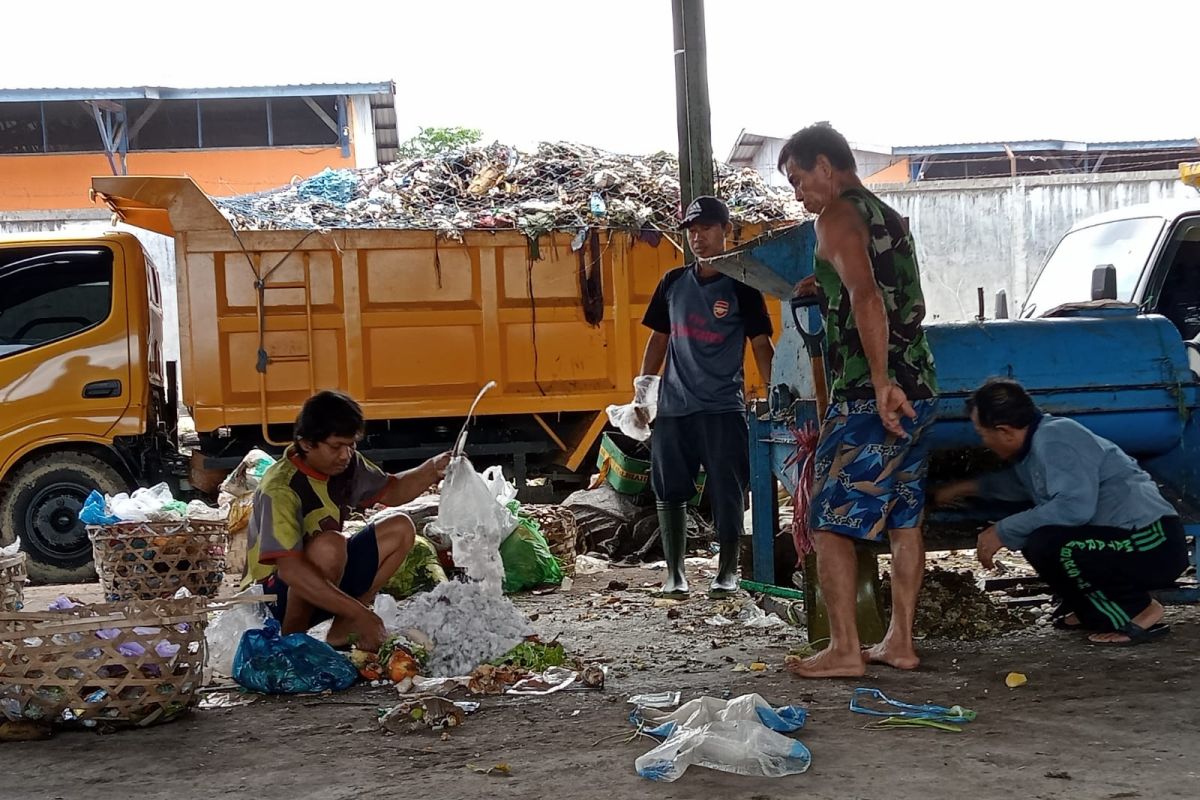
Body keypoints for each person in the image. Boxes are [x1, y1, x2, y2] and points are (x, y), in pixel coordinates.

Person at [781, 122, 939, 678]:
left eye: (799, 180)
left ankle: (846, 648)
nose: (799, 195)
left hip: (871, 395)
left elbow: (865, 294)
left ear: (826, 165)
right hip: (921, 384)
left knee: (826, 517)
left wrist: (877, 383)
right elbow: (876, 286)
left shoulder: (835, 216)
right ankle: (899, 641)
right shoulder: (885, 214)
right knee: (903, 516)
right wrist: (821, 286)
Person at [935, 379, 1188, 645]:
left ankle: (1141, 609)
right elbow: (1019, 485)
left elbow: (1074, 508)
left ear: (1005, 431)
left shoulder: (1057, 438)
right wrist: (965, 488)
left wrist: (1002, 530)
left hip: (1154, 542)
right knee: (1037, 540)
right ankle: (1092, 612)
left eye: (982, 433)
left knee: (1053, 545)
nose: (983, 441)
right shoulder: (1036, 445)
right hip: (1121, 539)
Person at [639, 195, 775, 599]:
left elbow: (761, 344)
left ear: (725, 231)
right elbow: (657, 340)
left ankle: (727, 572)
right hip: (674, 408)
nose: (698, 239)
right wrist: (645, 390)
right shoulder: (672, 284)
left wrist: (775, 394)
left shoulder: (743, 285)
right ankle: (675, 575)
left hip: (721, 407)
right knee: (669, 490)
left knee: (727, 488)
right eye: (692, 232)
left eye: (706, 230)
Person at [244, 390, 450, 652]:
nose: (345, 455)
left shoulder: (347, 465)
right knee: (330, 545)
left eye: (351, 445)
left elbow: (393, 490)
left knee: (400, 527)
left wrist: (433, 469)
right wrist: (361, 613)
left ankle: (342, 631)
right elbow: (290, 570)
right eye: (336, 447)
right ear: (306, 443)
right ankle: (291, 642)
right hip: (272, 600)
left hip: (325, 582)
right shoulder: (281, 488)